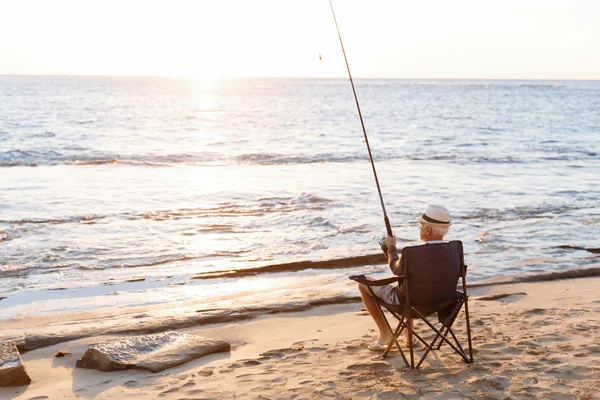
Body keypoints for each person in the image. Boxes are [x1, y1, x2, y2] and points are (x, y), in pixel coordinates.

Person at [357, 204, 452, 351]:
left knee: (363, 283)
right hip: (442, 302)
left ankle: (385, 334)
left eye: (421, 226)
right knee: (413, 284)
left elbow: (396, 269)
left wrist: (391, 248)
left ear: (428, 230)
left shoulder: (413, 253)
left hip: (410, 305)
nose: (419, 228)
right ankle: (408, 335)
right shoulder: (453, 251)